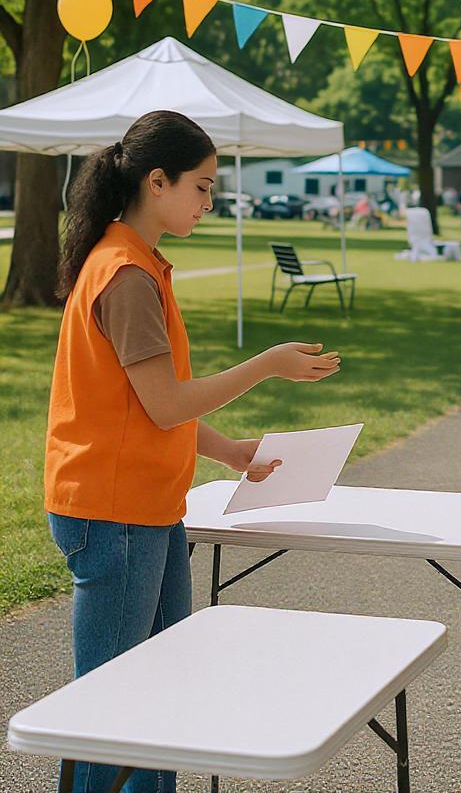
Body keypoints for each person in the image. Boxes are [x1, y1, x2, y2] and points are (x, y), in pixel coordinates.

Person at [45, 111, 340, 793]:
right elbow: (166, 403)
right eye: (203, 187)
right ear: (157, 182)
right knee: (113, 712)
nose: (211, 202)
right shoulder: (125, 275)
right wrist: (266, 364)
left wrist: (230, 452)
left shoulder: (135, 263)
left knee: (160, 695)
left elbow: (145, 405)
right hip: (115, 516)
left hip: (140, 510)